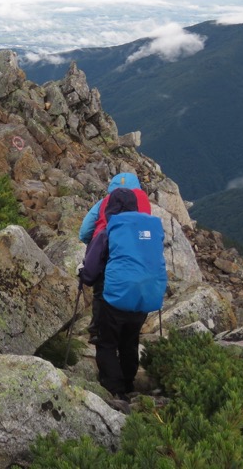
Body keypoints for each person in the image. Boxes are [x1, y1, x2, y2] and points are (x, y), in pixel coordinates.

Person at [79, 187, 163, 403]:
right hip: (145, 298)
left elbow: (90, 271)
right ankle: (128, 383)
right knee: (129, 340)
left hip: (115, 299)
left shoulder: (110, 231)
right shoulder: (151, 230)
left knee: (106, 342)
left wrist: (83, 275)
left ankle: (115, 391)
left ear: (111, 208)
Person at [78, 172, 151, 344]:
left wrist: (94, 243)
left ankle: (97, 330)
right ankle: (129, 333)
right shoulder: (144, 205)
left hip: (107, 258)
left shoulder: (104, 202)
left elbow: (84, 232)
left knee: (100, 293)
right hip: (138, 264)